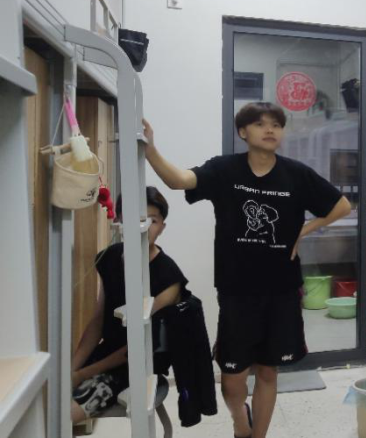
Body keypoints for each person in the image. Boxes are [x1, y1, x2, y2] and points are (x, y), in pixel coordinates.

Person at [143, 102, 351, 438]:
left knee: (268, 372)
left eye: (276, 125)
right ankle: (241, 421)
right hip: (236, 291)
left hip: (281, 291)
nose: (270, 130)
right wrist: (150, 149)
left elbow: (341, 206)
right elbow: (179, 180)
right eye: (260, 124)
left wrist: (305, 230)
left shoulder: (296, 174)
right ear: (243, 131)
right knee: (232, 379)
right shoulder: (224, 170)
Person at [71, 187, 188, 424]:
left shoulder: (169, 276)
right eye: (134, 218)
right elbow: (97, 321)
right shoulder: (109, 258)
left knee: (64, 415)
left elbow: (138, 345)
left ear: (162, 227)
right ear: (120, 220)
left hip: (137, 365)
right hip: (105, 353)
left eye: (152, 220)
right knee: (46, 398)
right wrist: (70, 369)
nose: (143, 226)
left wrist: (81, 374)